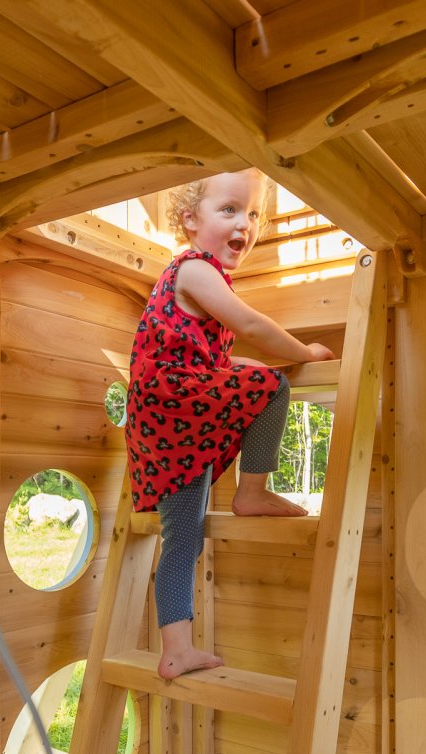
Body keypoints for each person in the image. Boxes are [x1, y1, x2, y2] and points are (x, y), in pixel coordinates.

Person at [125, 169, 334, 679]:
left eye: (254, 213)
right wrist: (302, 352)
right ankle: (253, 491)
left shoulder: (195, 280)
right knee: (272, 385)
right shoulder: (195, 269)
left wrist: (249, 367)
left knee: (183, 536)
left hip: (165, 423)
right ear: (189, 219)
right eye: (230, 210)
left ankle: (175, 648)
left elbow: (208, 360)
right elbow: (252, 326)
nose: (246, 223)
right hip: (176, 408)